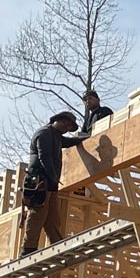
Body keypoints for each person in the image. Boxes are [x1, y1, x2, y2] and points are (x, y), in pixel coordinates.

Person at [17, 110, 87, 257]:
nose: (66, 128)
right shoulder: (44, 134)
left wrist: (84, 138)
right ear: (57, 120)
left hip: (50, 183)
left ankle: (58, 245)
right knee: (38, 215)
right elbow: (45, 157)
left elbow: (67, 142)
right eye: (65, 124)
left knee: (53, 218)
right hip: (40, 181)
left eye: (69, 127)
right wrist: (53, 177)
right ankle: (28, 250)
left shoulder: (56, 136)